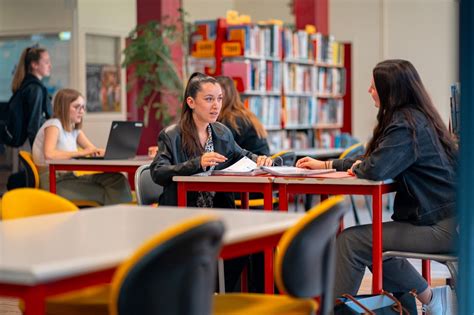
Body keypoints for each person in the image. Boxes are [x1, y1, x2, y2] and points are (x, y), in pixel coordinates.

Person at [296, 59, 457, 315]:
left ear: (390, 91)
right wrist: (329, 164)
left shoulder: (406, 124)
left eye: (374, 86)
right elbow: (378, 160)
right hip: (447, 220)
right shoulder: (417, 118)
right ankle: (429, 300)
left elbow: (376, 168)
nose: (370, 91)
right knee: (372, 242)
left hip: (443, 226)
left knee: (352, 241)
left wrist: (356, 167)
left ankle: (331, 311)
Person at [150, 72, 272, 291]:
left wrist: (259, 159)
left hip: (218, 213)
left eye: (219, 99)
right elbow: (158, 172)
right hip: (183, 216)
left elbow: (241, 154)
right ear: (191, 102)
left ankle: (225, 294)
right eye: (209, 99)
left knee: (257, 242)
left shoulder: (221, 132)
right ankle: (205, 291)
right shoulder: (171, 135)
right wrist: (197, 163)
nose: (216, 105)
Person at [32, 88, 133, 206]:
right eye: (76, 107)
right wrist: (81, 153)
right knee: (107, 191)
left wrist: (118, 151)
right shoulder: (53, 125)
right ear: (63, 107)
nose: (81, 111)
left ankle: (123, 213)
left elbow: (93, 150)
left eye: (83, 107)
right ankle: (122, 217)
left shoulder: (74, 129)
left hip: (69, 177)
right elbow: (49, 154)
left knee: (117, 179)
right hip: (53, 182)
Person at [216, 75, 270, 156]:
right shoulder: (245, 114)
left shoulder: (230, 120)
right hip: (262, 161)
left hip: (251, 164)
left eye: (218, 97)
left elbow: (223, 152)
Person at [11, 46, 53, 147]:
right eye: (46, 62)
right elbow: (33, 125)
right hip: (31, 144)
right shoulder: (35, 89)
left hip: (28, 142)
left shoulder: (30, 85)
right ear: (34, 65)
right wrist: (37, 150)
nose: (50, 65)